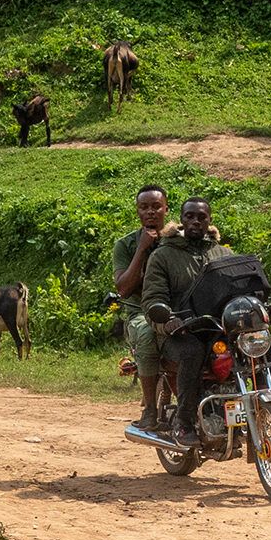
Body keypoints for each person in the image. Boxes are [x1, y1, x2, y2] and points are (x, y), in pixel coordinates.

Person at [140, 197, 233, 448]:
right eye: (190, 216)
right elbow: (152, 299)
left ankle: (251, 409)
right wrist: (167, 321)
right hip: (178, 332)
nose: (195, 221)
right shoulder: (164, 255)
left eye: (201, 217)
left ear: (209, 220)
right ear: (181, 219)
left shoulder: (223, 253)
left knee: (259, 346)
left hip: (216, 331)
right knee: (192, 352)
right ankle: (183, 422)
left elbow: (240, 289)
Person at [113, 184, 170, 430]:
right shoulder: (125, 245)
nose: (150, 212)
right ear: (137, 211)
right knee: (148, 336)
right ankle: (149, 408)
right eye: (144, 207)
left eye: (156, 206)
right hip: (141, 313)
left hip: (176, 311)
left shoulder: (177, 239)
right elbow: (123, 288)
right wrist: (142, 249)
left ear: (166, 209)